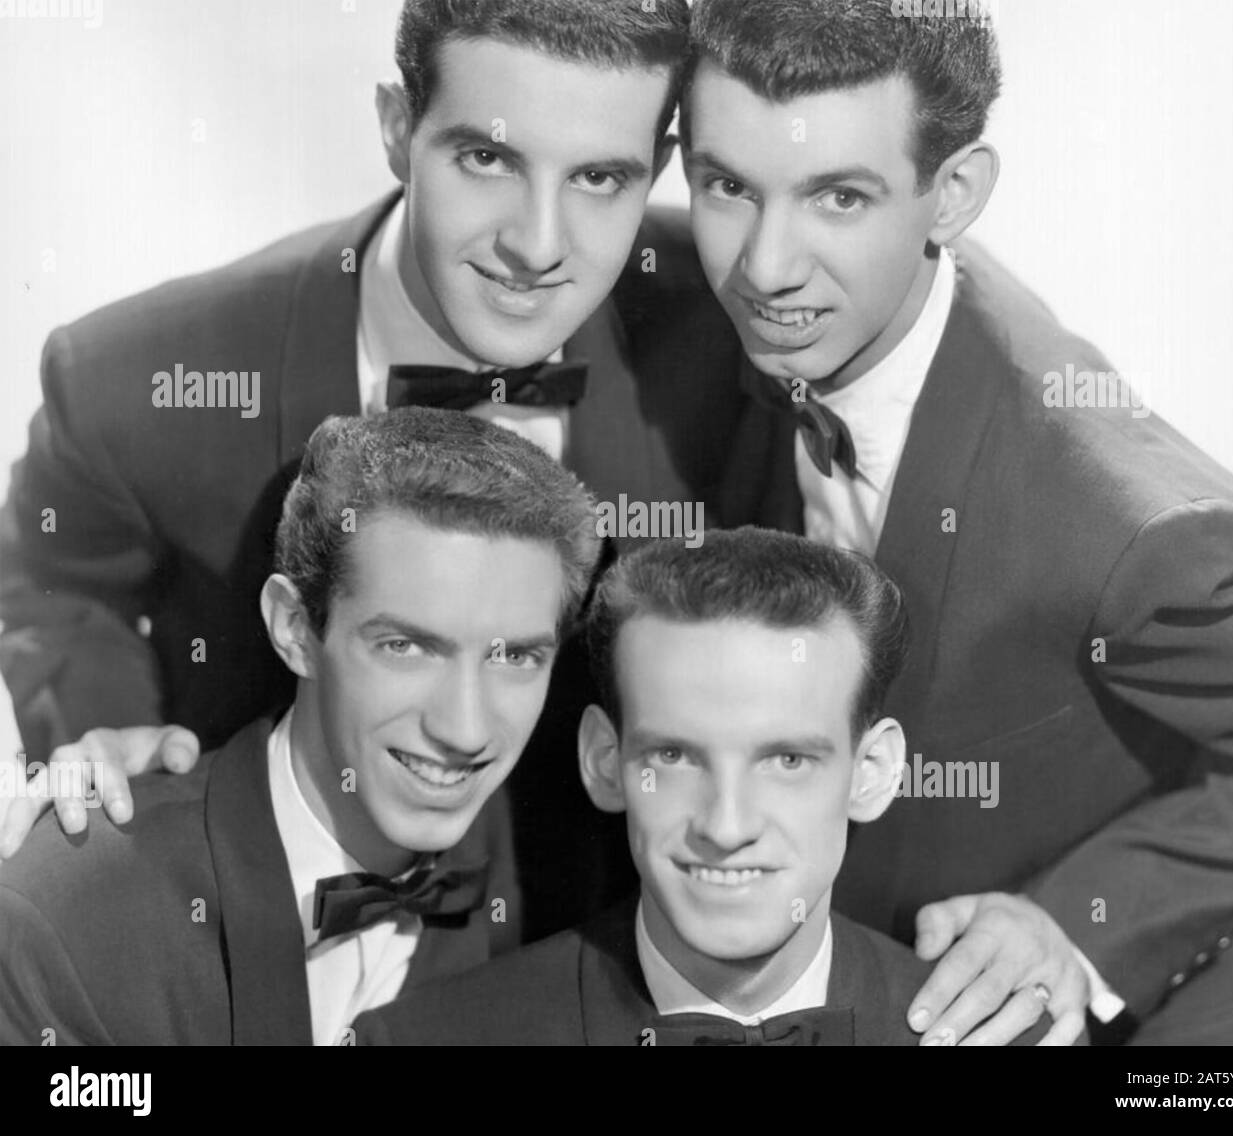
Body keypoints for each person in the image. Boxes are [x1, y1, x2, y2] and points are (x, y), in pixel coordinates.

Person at [0, 0, 742, 937]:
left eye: (599, 176)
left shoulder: (729, 322)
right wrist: (107, 732)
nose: (538, 245)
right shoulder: (139, 378)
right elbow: (57, 577)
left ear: (660, 169)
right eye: (487, 158)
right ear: (397, 130)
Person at [686, 0, 1233, 1045]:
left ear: (953, 194)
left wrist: (1079, 925)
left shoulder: (1130, 529)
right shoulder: (728, 318)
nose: (765, 266)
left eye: (839, 196)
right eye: (726, 186)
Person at [0, 408, 600, 1045]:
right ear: (294, 629)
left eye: (516, 658)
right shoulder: (66, 915)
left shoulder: (544, 886)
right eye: (406, 646)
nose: (465, 728)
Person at [356, 528, 1050, 1045]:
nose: (726, 826)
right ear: (605, 761)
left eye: (787, 761)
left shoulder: (1008, 1037)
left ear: (871, 774)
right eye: (678, 756)